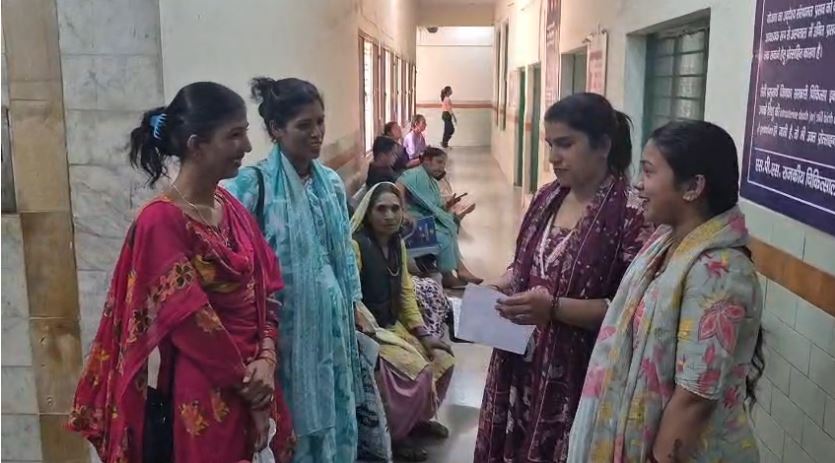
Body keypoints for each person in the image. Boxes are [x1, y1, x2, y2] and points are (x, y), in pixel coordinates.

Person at [67, 82, 295, 462]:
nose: (246, 146)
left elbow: (266, 286)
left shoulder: (229, 206)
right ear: (196, 145)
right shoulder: (162, 221)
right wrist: (253, 391)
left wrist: (267, 361)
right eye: (234, 135)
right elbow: (192, 323)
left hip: (256, 375)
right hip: (208, 393)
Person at [567, 121, 765, 463]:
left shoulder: (718, 271)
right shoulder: (664, 246)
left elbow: (695, 399)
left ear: (693, 187)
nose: (638, 184)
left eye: (648, 172)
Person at [474, 93, 653, 463]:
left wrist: (554, 308)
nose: (554, 157)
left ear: (603, 145)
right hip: (519, 362)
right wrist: (501, 284)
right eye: (550, 145)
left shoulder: (632, 215)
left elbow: (632, 310)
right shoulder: (547, 198)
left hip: (580, 375)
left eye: (566, 144)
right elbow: (526, 264)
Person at [224, 77, 361, 463]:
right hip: (283, 335)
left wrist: (354, 305)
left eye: (320, 122)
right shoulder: (251, 187)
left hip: (332, 328)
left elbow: (343, 253)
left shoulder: (330, 183)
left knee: (334, 412)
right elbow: (236, 269)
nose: (317, 133)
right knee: (291, 426)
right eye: (304, 125)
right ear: (276, 129)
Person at [351, 182, 456, 461]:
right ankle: (397, 437)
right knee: (417, 372)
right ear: (368, 212)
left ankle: (417, 421)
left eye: (395, 208)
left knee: (443, 360)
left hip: (393, 326)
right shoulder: (356, 245)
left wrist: (424, 334)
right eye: (381, 209)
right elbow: (352, 299)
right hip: (368, 332)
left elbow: (406, 292)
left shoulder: (398, 244)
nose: (389, 215)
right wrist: (370, 332)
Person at [397, 146, 481, 288]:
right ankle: (449, 276)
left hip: (427, 220)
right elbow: (399, 185)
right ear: (427, 161)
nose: (442, 167)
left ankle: (459, 270)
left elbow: (434, 206)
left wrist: (450, 203)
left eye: (444, 163)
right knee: (443, 236)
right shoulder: (413, 176)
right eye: (439, 162)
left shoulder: (432, 181)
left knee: (449, 228)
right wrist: (402, 212)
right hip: (414, 224)